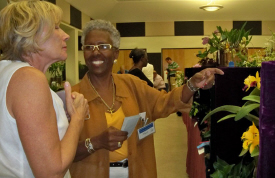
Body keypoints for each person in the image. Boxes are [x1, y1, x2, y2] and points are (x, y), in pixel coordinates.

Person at [70, 19, 224, 178]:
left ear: (115, 53)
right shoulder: (72, 97)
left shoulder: (132, 85)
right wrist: (95, 143)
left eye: (103, 46)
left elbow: (165, 102)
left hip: (137, 171)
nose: (95, 52)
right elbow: (58, 153)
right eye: (89, 47)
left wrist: (192, 84)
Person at [0, 1, 89, 177]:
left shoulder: (7, 71)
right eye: (56, 27)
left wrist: (58, 109)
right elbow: (51, 172)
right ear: (30, 34)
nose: (66, 36)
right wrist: (78, 118)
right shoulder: (29, 79)